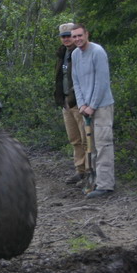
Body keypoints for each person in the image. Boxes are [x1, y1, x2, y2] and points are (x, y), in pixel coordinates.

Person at [70, 23, 115, 198]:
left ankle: (106, 185)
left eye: (80, 35)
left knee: (103, 145)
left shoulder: (97, 52)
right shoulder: (75, 54)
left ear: (86, 34)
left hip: (101, 106)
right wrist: (81, 104)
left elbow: (102, 82)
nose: (77, 39)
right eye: (74, 36)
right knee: (91, 146)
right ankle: (95, 181)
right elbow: (76, 81)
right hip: (86, 107)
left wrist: (93, 106)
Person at [54, 22, 87, 185]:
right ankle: (80, 171)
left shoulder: (81, 53)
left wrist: (75, 100)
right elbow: (60, 78)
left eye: (69, 36)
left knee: (86, 138)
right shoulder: (62, 53)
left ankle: (90, 172)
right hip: (66, 103)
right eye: (63, 36)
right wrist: (61, 99)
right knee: (74, 139)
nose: (66, 39)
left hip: (79, 102)